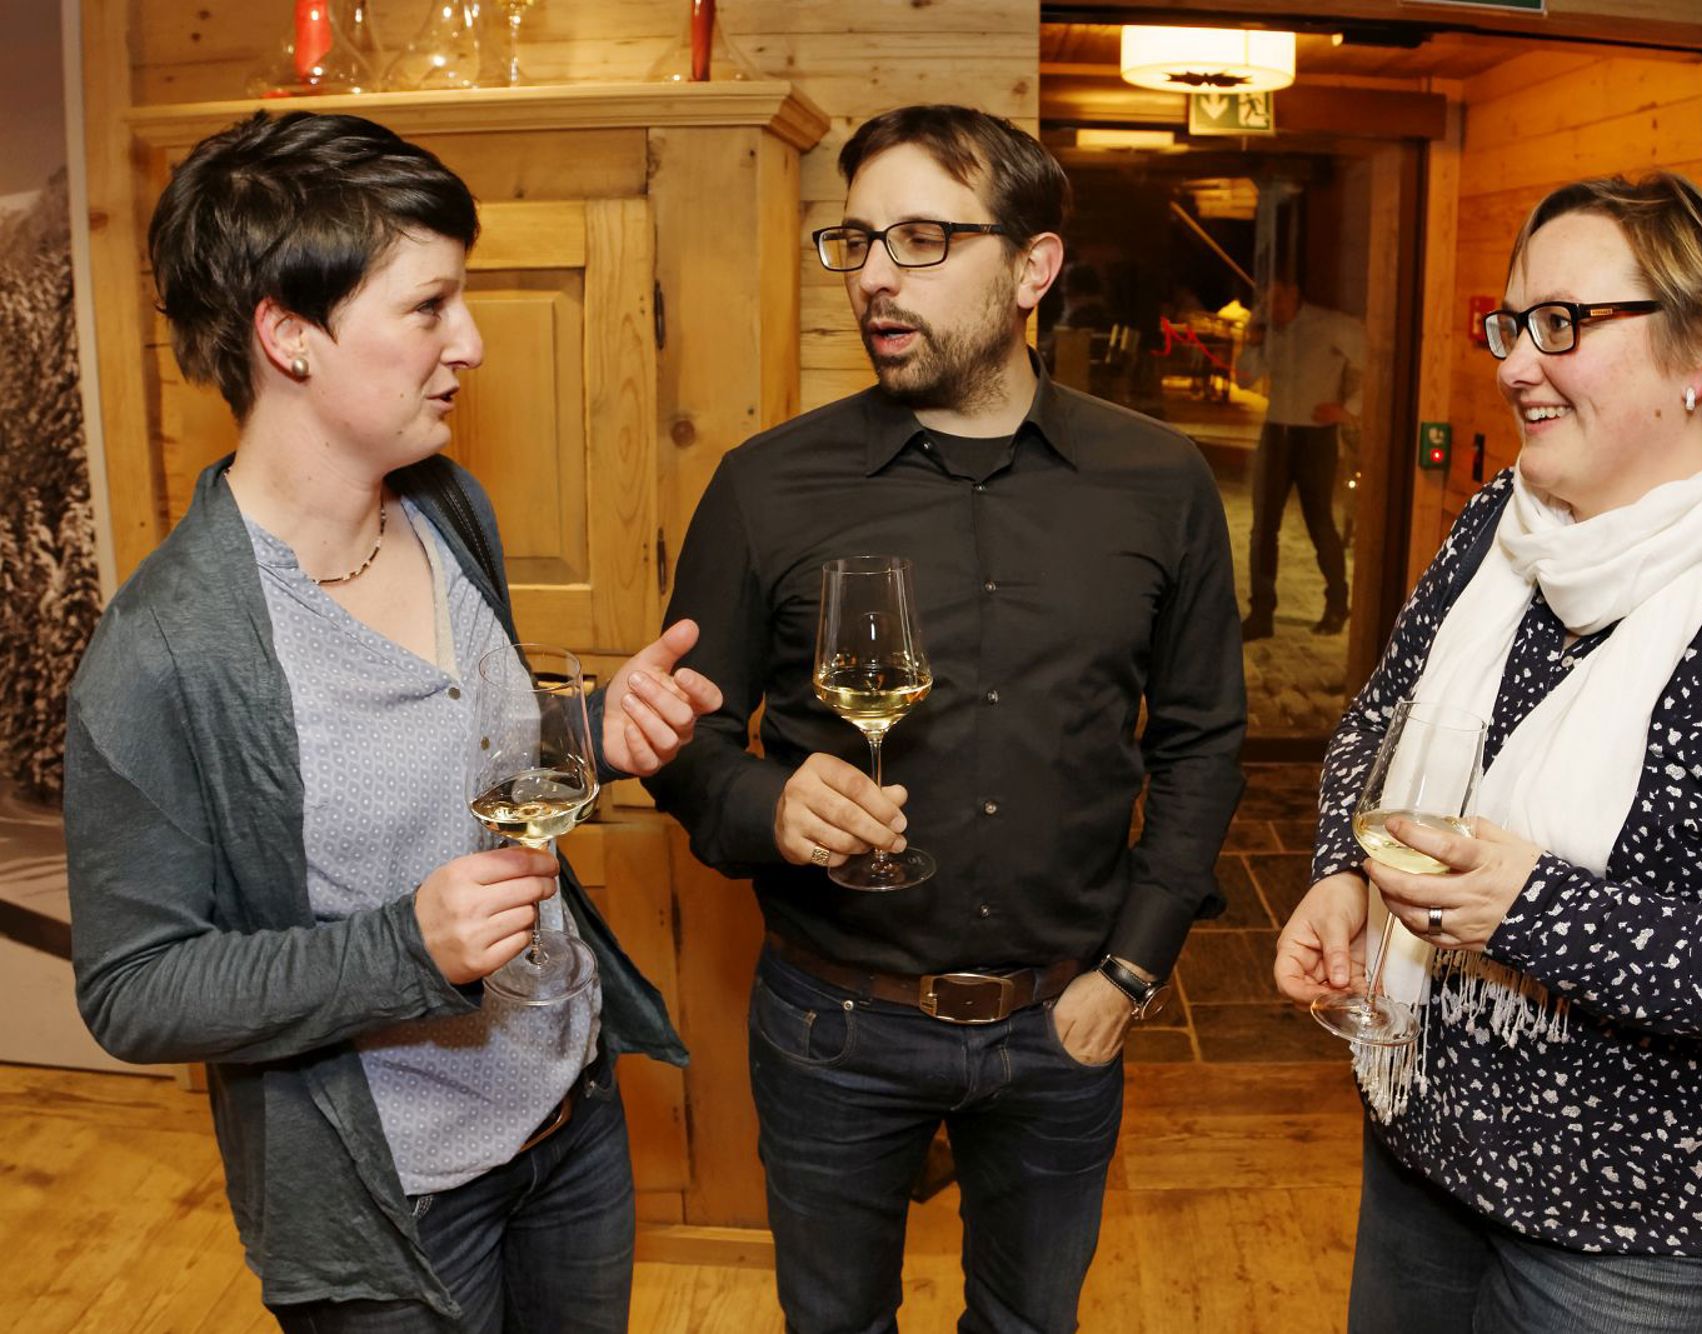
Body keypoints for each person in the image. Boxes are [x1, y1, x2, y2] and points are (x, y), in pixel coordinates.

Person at [1272, 172, 1702, 1333]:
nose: (1512, 363)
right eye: (1509, 323)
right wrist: (1343, 873)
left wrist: (1537, 912)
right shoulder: (1498, 529)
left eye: (1561, 322)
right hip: (1420, 1144)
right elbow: (1377, 719)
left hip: (1646, 1233)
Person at [64, 111, 722, 1331]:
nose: (470, 342)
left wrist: (593, 729)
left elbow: (467, 746)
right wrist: (403, 947)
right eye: (429, 306)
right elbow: (135, 988)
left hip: (570, 1119)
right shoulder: (162, 654)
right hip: (396, 1201)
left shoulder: (445, 505)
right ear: (288, 335)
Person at [645, 104, 1246, 1334]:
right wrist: (766, 801)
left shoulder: (1158, 481)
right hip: (833, 1021)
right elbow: (680, 736)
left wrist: (1132, 966)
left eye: (921, 239)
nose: (873, 275)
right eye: (856, 241)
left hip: (1062, 1019)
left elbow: (1199, 737)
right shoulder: (767, 485)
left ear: (1033, 266)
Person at [1235, 277, 1366, 640]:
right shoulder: (1269, 329)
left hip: (1315, 435)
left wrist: (1348, 410)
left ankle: (1337, 603)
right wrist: (1253, 342)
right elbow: (1244, 379)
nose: (1272, 309)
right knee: (1263, 526)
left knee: (1319, 521)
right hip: (1277, 432)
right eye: (1267, 301)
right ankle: (1261, 612)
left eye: (1278, 300)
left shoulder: (1329, 325)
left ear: (1295, 295)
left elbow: (1374, 363)